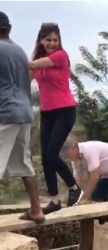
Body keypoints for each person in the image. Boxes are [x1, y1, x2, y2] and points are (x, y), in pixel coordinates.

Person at [29, 23, 82, 215]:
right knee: (45, 158)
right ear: (41, 40)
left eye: (55, 39)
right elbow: (27, 78)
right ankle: (54, 200)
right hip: (47, 112)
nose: (52, 43)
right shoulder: (38, 58)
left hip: (65, 110)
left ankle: (74, 187)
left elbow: (31, 65)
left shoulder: (60, 56)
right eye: (48, 39)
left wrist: (10, 56)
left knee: (52, 154)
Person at [0, 11, 45, 223]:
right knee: (24, 163)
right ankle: (36, 210)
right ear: (9, 28)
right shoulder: (18, 50)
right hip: (25, 112)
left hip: (6, 112)